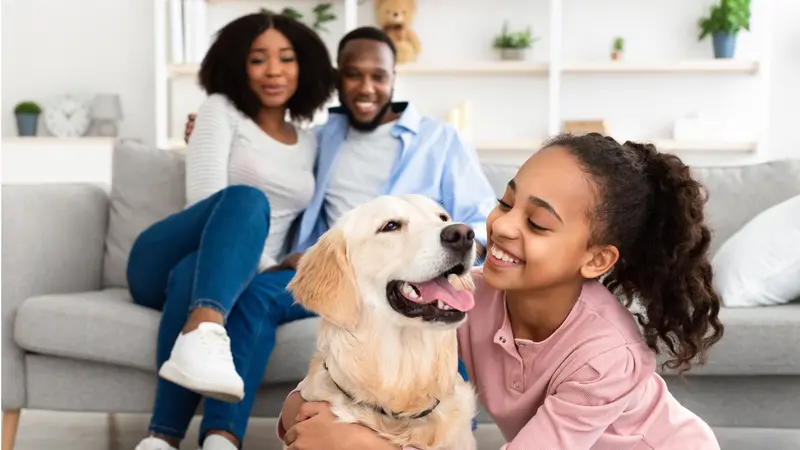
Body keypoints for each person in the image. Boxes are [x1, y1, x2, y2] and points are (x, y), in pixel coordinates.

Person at [279, 133, 726, 450]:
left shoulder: (606, 357)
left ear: (595, 260)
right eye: (506, 202)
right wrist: (304, 401)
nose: (502, 227)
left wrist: (365, 447)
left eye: (537, 223)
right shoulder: (472, 297)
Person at [176, 25, 497, 448]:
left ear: (393, 79)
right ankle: (221, 435)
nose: (366, 87)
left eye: (378, 76)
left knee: (437, 346)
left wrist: (446, 258)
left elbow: (479, 222)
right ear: (336, 79)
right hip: (335, 266)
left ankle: (445, 432)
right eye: (353, 74)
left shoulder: (442, 141)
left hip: (419, 272)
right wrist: (210, 131)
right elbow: (270, 156)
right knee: (253, 295)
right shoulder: (320, 138)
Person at [128, 12, 335, 450]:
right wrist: (268, 266)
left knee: (193, 274)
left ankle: (164, 439)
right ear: (239, 65)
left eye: (286, 58)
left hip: (205, 274)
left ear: (306, 66)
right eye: (258, 59)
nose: (274, 71)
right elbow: (206, 203)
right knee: (245, 199)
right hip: (159, 259)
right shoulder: (220, 112)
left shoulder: (311, 142)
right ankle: (205, 326)